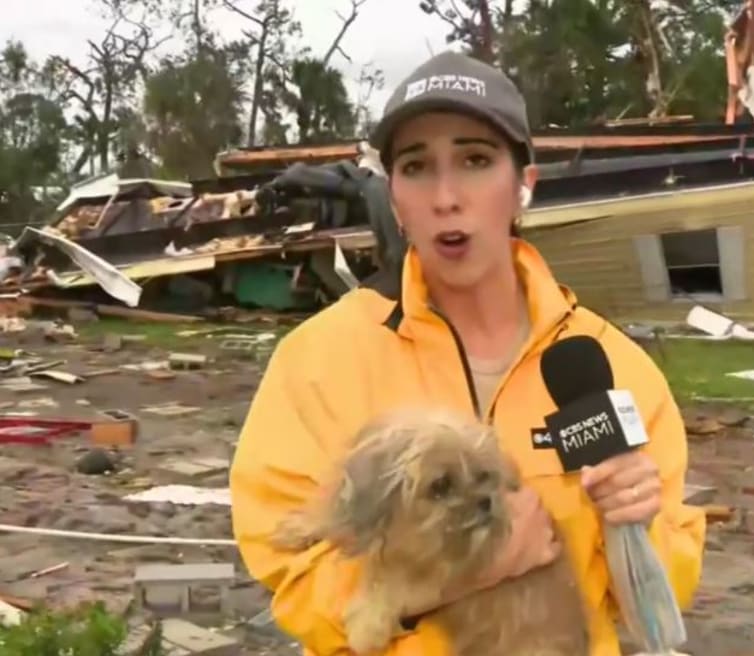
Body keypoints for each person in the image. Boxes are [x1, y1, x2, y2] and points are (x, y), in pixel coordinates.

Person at [230, 50, 707, 656]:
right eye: (417, 166)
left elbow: (664, 597)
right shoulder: (319, 362)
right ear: (394, 197)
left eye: (476, 160)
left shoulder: (612, 366)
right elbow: (290, 570)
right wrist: (451, 580)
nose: (447, 196)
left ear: (524, 184)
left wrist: (637, 527)